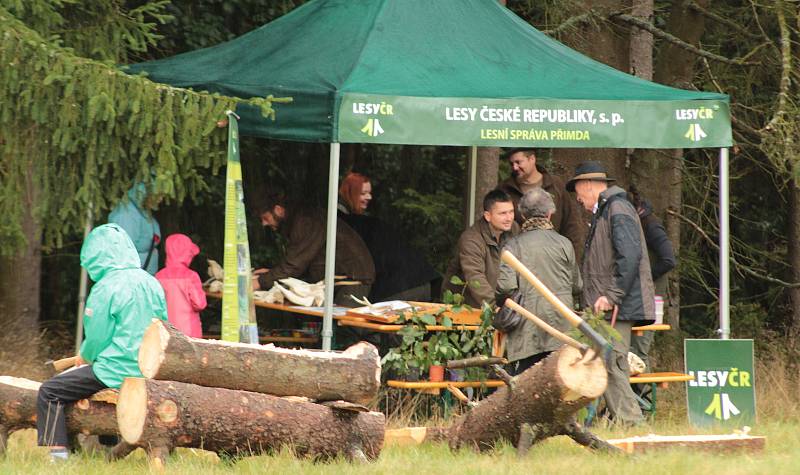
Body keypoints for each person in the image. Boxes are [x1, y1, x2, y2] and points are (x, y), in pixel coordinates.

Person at [37, 224, 167, 461]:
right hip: (149, 371)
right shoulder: (152, 283)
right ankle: (108, 448)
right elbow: (164, 328)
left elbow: (97, 337)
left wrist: (85, 356)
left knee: (50, 391)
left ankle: (57, 453)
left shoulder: (106, 287)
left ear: (96, 258)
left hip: (116, 369)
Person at [566, 161, 655, 426]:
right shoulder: (608, 210)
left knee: (613, 364)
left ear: (589, 185)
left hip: (617, 305)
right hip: (610, 304)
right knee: (607, 364)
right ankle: (621, 420)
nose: (578, 199)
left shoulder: (617, 208)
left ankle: (632, 423)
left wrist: (612, 295)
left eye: (578, 192)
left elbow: (629, 256)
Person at [496, 188, 582, 375]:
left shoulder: (513, 246)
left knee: (528, 389)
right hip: (563, 329)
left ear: (523, 214)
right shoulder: (565, 244)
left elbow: (506, 287)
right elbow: (577, 285)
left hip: (528, 332)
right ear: (550, 213)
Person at [251, 192, 375, 307]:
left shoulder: (305, 221)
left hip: (351, 278)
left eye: (266, 218)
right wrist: (271, 273)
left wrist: (260, 282)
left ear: (278, 210)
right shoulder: (301, 220)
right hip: (343, 278)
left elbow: (294, 265)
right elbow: (298, 261)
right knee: (334, 325)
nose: (264, 223)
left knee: (345, 327)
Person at [338, 172, 439, 302]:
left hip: (400, 287)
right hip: (414, 284)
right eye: (363, 193)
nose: (369, 197)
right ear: (349, 193)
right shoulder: (353, 223)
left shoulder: (356, 225)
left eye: (369, 193)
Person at [627, 188, 676, 399]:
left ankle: (642, 403)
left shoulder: (651, 226)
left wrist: (644, 277)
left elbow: (668, 260)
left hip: (652, 298)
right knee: (632, 349)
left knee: (640, 350)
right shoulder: (636, 226)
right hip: (639, 297)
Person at [499, 148, 585, 258]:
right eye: (511, 164)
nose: (515, 167)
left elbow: (572, 226)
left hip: (554, 259)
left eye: (518, 162)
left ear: (532, 159)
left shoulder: (556, 185)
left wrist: (572, 260)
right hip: (518, 259)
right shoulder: (504, 189)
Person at [443, 189, 516, 308]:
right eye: (503, 213)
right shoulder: (471, 240)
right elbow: (475, 279)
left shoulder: (513, 230)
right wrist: (498, 308)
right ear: (488, 216)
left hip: (499, 305)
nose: (509, 218)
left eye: (511, 212)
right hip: (465, 308)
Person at [156, 234, 208, 338]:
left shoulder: (159, 276)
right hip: (189, 332)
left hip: (166, 331)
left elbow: (155, 305)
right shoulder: (191, 276)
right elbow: (199, 304)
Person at [108, 182, 162, 275]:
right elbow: (123, 253)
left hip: (142, 277)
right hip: (132, 279)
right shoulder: (127, 215)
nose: (160, 199)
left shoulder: (141, 210)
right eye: (158, 195)